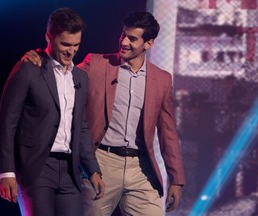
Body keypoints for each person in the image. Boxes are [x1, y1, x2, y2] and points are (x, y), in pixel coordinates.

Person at [22, 10, 185, 216]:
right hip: (102, 162)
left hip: (141, 168)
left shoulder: (162, 79)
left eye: (132, 38)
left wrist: (176, 179)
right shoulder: (97, 64)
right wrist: (40, 55)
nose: (124, 41)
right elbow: (61, 71)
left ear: (148, 43)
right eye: (122, 35)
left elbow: (168, 132)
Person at [0, 7, 105, 216]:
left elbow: (81, 127)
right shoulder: (29, 69)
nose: (70, 51)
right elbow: (7, 123)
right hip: (36, 167)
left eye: (76, 45)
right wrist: (6, 172)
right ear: (49, 37)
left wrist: (93, 169)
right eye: (65, 44)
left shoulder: (80, 77)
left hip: (69, 171)